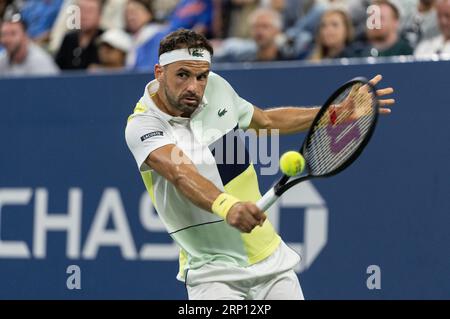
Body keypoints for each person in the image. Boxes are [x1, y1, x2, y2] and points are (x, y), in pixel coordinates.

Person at [124, 29, 395, 300]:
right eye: (182, 75)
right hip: (212, 274)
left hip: (273, 265)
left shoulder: (217, 87)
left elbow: (265, 121)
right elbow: (180, 173)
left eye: (201, 76)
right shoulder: (143, 125)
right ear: (160, 72)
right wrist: (228, 207)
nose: (194, 86)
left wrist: (337, 113)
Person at [0, 10, 59, 76]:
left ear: (25, 35)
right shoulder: (2, 60)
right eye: (4, 34)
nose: (7, 39)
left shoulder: (40, 62)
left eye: (13, 34)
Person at [54, 0, 104, 70]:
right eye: (80, 11)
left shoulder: (105, 40)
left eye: (90, 11)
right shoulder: (69, 39)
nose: (84, 15)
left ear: (99, 16)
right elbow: (57, 68)